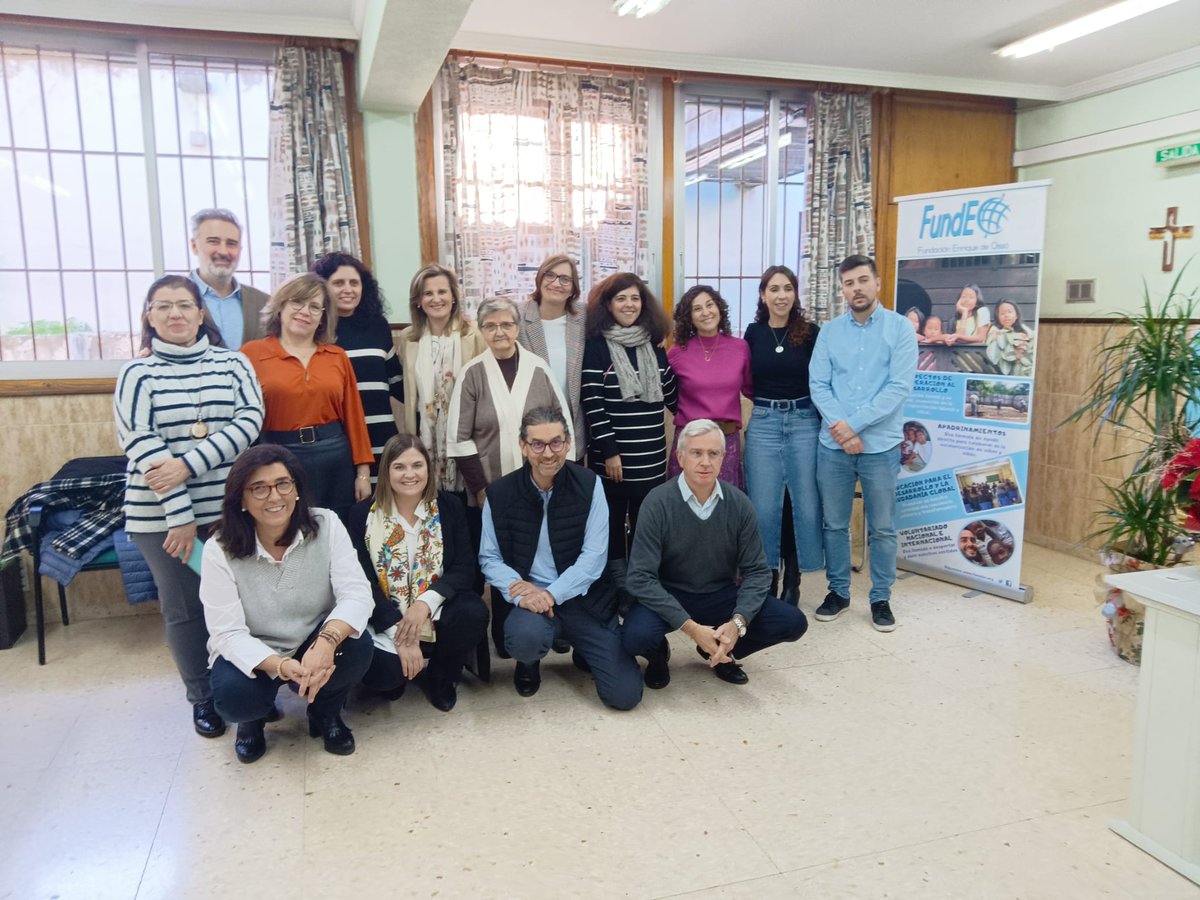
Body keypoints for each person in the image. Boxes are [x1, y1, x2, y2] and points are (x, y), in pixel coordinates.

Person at [115, 275, 264, 740]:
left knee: (244, 604)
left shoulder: (233, 363)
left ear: (202, 314)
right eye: (163, 306)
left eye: (184, 305)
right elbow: (139, 440)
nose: (175, 314)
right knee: (185, 611)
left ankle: (248, 690)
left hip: (228, 511)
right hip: (161, 519)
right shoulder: (136, 373)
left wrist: (188, 464)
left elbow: (249, 420)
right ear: (149, 316)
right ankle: (203, 700)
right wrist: (179, 513)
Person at [200, 445, 374, 763]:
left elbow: (357, 593)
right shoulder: (218, 548)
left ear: (296, 490)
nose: (274, 496)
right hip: (255, 647)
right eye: (259, 488)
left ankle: (325, 713)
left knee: (358, 646)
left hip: (313, 636)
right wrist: (279, 666)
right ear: (241, 499)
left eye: (283, 484)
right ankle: (251, 723)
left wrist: (327, 640)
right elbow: (226, 632)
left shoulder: (327, 524)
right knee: (235, 697)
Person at [478, 407, 642, 710]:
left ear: (568, 444)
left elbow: (594, 558)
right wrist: (521, 592)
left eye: (556, 442)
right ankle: (528, 662)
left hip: (583, 600)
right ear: (523, 446)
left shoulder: (590, 485)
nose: (548, 453)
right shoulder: (500, 493)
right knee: (525, 638)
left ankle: (584, 649)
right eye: (537, 444)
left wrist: (551, 594)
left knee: (625, 695)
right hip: (529, 603)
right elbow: (489, 558)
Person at [623, 419, 808, 688]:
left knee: (793, 622)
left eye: (713, 454)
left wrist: (737, 623)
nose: (705, 462)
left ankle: (722, 652)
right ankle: (658, 657)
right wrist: (692, 629)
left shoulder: (739, 504)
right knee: (634, 637)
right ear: (680, 457)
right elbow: (640, 577)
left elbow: (757, 572)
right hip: (670, 592)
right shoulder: (657, 502)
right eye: (696, 453)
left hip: (720, 593)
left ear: (723, 458)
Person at [447, 296, 572, 654]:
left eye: (506, 324)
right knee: (503, 560)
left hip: (542, 485)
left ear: (518, 328)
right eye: (490, 325)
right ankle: (507, 636)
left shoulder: (538, 369)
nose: (499, 332)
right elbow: (457, 440)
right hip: (491, 491)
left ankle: (557, 624)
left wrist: (558, 480)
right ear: (481, 330)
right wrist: (482, 490)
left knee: (547, 554)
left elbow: (565, 430)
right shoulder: (472, 373)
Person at [810, 254, 917, 633]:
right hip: (833, 447)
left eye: (862, 280)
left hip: (880, 446)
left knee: (883, 527)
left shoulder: (900, 329)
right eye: (848, 283)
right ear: (842, 289)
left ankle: (880, 597)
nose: (855, 288)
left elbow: (898, 388)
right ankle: (838, 591)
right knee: (835, 524)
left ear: (877, 283)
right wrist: (842, 431)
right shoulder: (830, 331)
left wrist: (851, 426)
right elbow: (818, 385)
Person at [348, 435, 489, 712]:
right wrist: (398, 632)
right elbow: (361, 581)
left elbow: (463, 568)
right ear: (386, 471)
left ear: (428, 468)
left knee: (473, 613)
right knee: (384, 678)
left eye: (417, 465)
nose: (409, 474)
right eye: (400, 467)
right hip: (384, 612)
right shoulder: (361, 515)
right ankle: (400, 668)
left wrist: (425, 603)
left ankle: (441, 675)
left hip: (435, 606)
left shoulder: (449, 507)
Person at [241, 273, 374, 523]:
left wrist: (363, 473)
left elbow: (354, 417)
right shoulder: (251, 354)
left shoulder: (336, 356)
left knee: (338, 533)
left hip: (335, 459)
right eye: (297, 302)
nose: (305, 311)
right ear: (281, 305)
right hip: (278, 459)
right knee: (288, 531)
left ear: (323, 317)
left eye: (315, 307)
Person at [579, 272, 677, 606]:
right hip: (614, 456)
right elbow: (592, 400)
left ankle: (640, 583)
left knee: (643, 521)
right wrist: (609, 452)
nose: (629, 304)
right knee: (611, 519)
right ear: (608, 304)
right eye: (621, 298)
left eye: (635, 298)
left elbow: (671, 396)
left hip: (651, 452)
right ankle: (618, 586)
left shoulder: (653, 342)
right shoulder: (596, 344)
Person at [742, 265, 823, 606]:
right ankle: (768, 577)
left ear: (795, 293)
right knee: (763, 506)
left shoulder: (811, 332)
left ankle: (794, 578)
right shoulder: (753, 333)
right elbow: (744, 380)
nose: (781, 295)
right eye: (773, 289)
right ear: (763, 295)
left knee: (800, 504)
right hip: (763, 420)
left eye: (787, 288)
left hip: (804, 420)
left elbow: (822, 380)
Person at [311, 253, 403, 484]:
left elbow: (397, 382)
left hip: (381, 434)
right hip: (338, 439)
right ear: (321, 287)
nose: (348, 289)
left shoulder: (377, 325)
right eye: (338, 283)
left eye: (354, 283)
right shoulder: (314, 330)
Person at [400, 264, 488, 497]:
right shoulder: (409, 338)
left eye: (442, 292)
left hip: (467, 437)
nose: (436, 299)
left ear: (454, 297)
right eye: (428, 293)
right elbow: (411, 395)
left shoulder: (473, 334)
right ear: (418, 300)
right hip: (425, 438)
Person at [666, 285, 751, 488]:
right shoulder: (677, 352)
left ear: (719, 308)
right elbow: (665, 390)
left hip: (725, 441)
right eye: (697, 309)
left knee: (724, 506)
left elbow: (751, 389)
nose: (705, 312)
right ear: (689, 317)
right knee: (685, 505)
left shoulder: (740, 348)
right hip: (690, 440)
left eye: (709, 305)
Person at [518, 254, 588, 459]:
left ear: (573, 288)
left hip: (572, 427)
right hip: (530, 429)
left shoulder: (583, 317)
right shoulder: (517, 315)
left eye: (565, 279)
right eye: (550, 275)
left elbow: (622, 316)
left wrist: (656, 334)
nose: (557, 283)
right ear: (539, 279)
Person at [188, 208, 269, 349]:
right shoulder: (167, 301)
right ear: (194, 246)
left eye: (231, 244)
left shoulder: (263, 303)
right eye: (213, 242)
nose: (223, 251)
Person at [985, 299, 1036, 376]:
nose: (1006, 315)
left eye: (1010, 312)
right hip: (1002, 370)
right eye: (1002, 313)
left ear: (1016, 316)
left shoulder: (1024, 328)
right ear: (997, 317)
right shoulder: (994, 329)